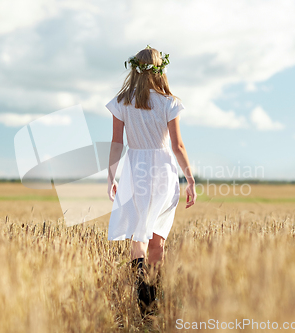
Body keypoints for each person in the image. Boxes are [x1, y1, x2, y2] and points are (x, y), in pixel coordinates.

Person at [105, 45, 196, 316]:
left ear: (134, 69)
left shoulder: (122, 101)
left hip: (136, 170)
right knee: (158, 239)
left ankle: (143, 297)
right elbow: (178, 146)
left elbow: (116, 143)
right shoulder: (169, 102)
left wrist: (111, 176)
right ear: (160, 69)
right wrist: (190, 179)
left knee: (138, 234)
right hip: (164, 171)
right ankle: (153, 298)